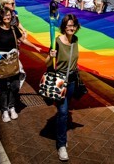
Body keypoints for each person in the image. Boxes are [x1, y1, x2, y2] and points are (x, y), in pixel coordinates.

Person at [0, 7, 42, 123]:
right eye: (5, 15)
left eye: (9, 15)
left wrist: (35, 47)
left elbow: (23, 39)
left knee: (15, 86)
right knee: (3, 88)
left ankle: (12, 107)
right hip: (0, 63)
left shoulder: (14, 29)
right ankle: (4, 110)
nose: (8, 17)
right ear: (1, 17)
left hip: (13, 62)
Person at [46, 14, 82, 161]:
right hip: (60, 81)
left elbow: (74, 60)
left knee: (65, 111)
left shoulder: (76, 40)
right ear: (63, 27)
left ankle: (61, 130)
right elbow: (47, 63)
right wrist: (51, 55)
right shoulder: (57, 41)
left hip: (72, 81)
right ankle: (61, 145)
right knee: (62, 112)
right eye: (68, 25)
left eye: (73, 25)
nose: (71, 28)